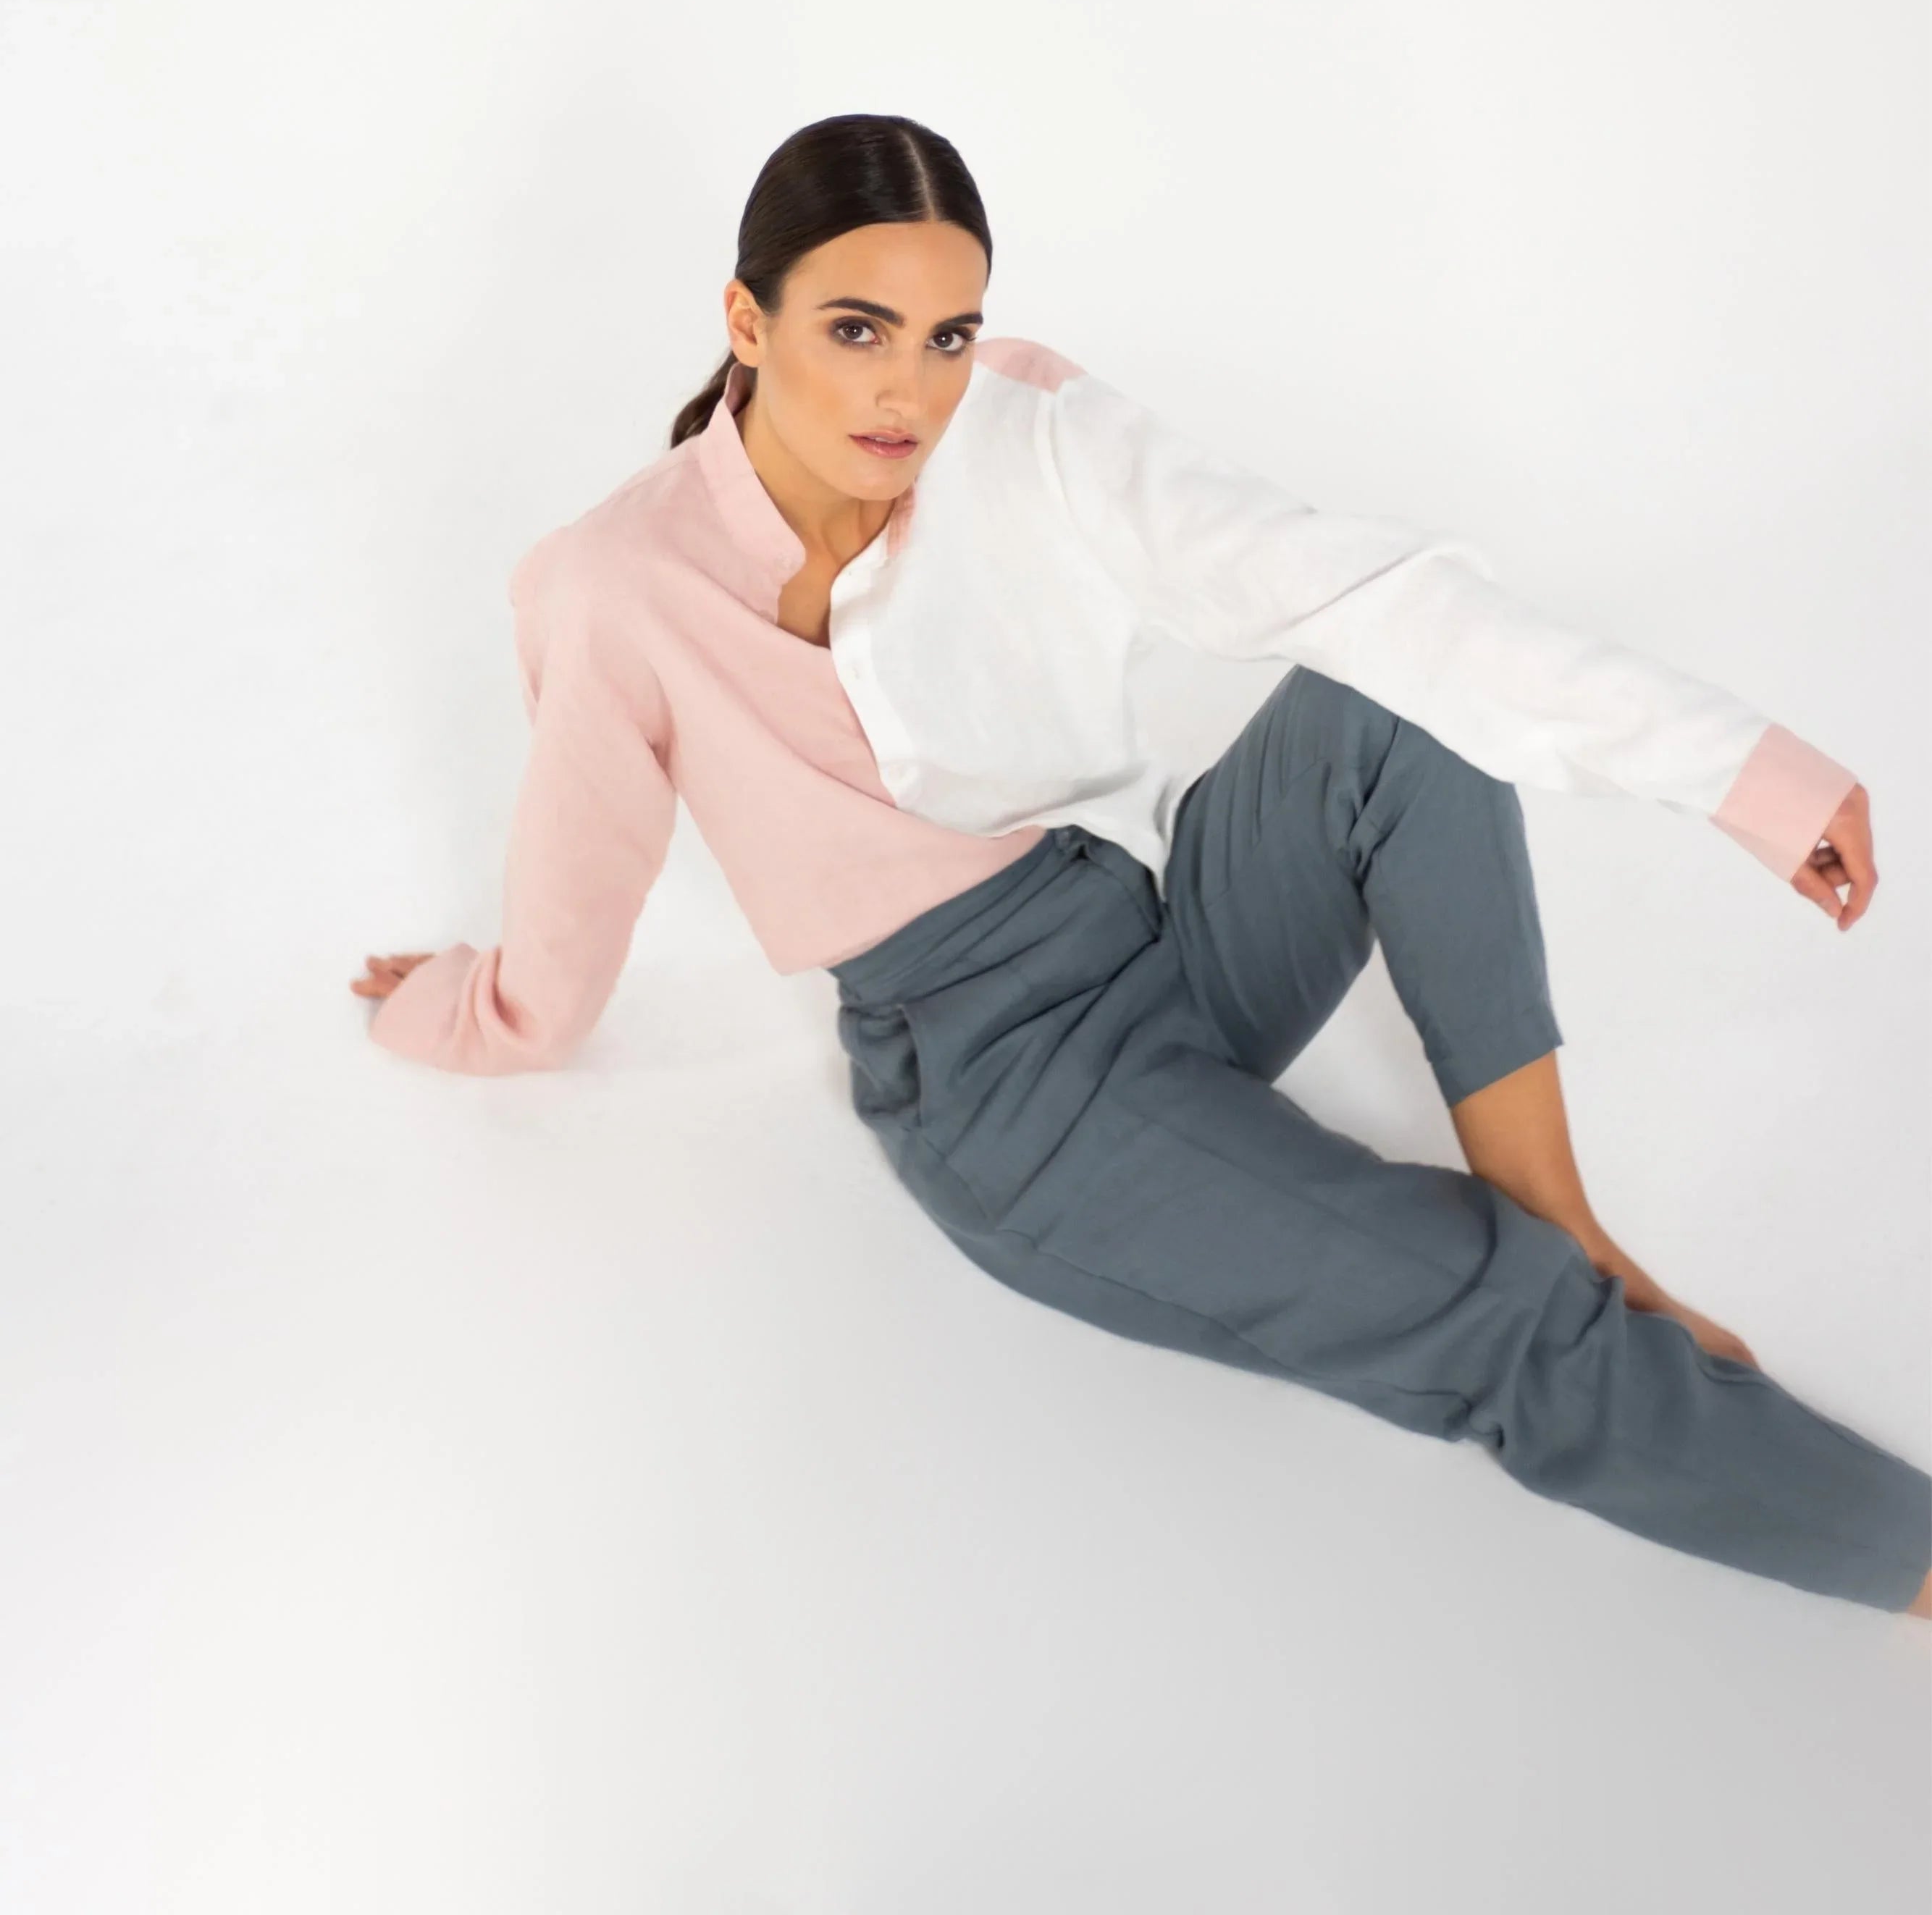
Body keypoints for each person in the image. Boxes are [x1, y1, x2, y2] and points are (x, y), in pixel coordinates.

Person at [350, 111, 1931, 1618]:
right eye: (856, 328)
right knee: (1500, 1319)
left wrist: (1739, 771)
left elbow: (1362, 596)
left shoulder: (1020, 427)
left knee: (1390, 701)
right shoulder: (613, 583)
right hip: (1008, 1090)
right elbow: (574, 901)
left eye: (946, 334)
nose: (909, 388)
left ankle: (1562, 1220)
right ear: (746, 321)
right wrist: (463, 1006)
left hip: (1151, 918)